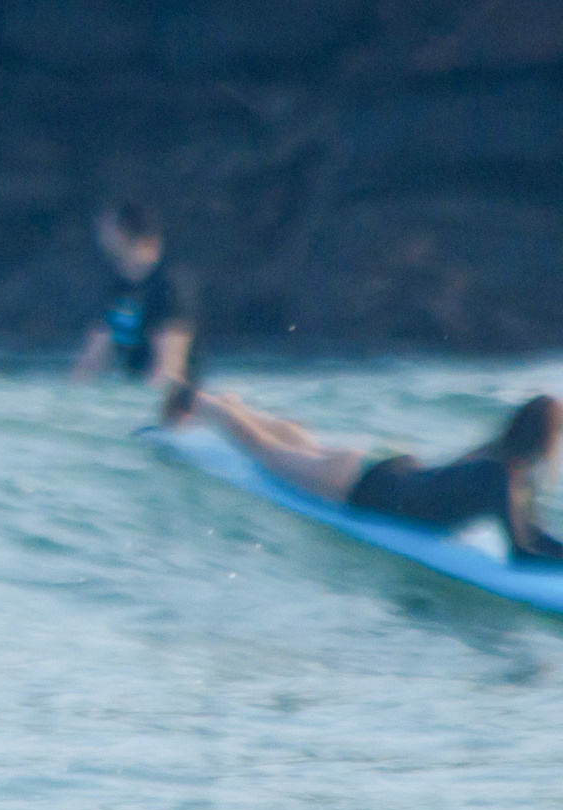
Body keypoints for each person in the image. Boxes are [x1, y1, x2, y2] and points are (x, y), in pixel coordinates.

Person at [168, 381, 563, 560]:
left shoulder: (502, 468)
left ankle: (236, 405)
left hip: (387, 469)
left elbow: (531, 535)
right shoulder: (502, 478)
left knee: (302, 447)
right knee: (265, 452)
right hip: (365, 485)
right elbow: (521, 553)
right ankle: (202, 403)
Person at [71, 200, 196, 388]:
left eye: (106, 225)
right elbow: (93, 360)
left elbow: (169, 369)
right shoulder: (120, 287)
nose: (99, 232)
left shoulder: (168, 287)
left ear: (122, 231)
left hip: (176, 404)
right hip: (134, 390)